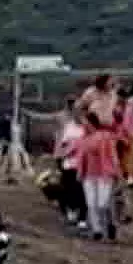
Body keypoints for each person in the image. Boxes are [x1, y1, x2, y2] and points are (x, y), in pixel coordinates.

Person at [73, 112, 124, 241]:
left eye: (85, 122)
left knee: (103, 204)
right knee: (91, 204)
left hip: (104, 175)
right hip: (89, 176)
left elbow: (113, 156)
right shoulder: (83, 139)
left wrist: (118, 173)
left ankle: (110, 223)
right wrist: (80, 172)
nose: (83, 125)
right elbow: (81, 158)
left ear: (91, 123)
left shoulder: (105, 137)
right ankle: (97, 230)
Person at [51, 96, 88, 227]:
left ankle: (83, 217)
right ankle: (71, 210)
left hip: (83, 164)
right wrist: (63, 154)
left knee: (82, 190)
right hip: (69, 163)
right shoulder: (69, 126)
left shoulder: (88, 126)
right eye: (77, 111)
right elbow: (63, 143)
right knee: (68, 189)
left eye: (81, 111)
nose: (79, 113)